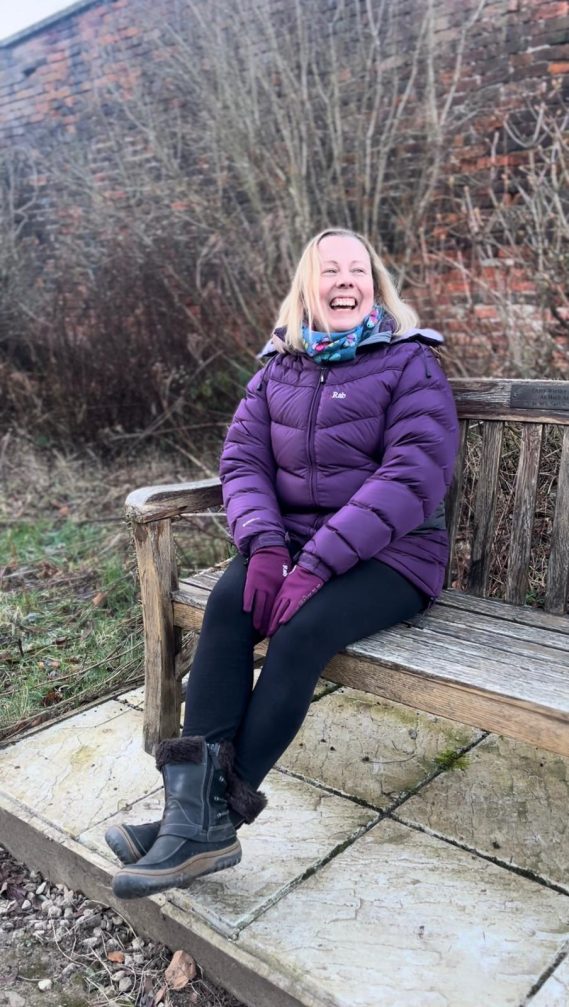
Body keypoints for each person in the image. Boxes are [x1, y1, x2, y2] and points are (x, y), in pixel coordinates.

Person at [107, 227, 460, 900]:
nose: (346, 280)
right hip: (291, 547)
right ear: (308, 286)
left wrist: (317, 562)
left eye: (358, 270)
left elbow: (412, 477)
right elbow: (242, 462)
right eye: (331, 270)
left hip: (393, 554)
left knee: (299, 635)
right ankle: (194, 817)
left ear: (376, 286)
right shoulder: (278, 367)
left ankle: (208, 817)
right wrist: (265, 544)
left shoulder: (410, 364)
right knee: (227, 602)